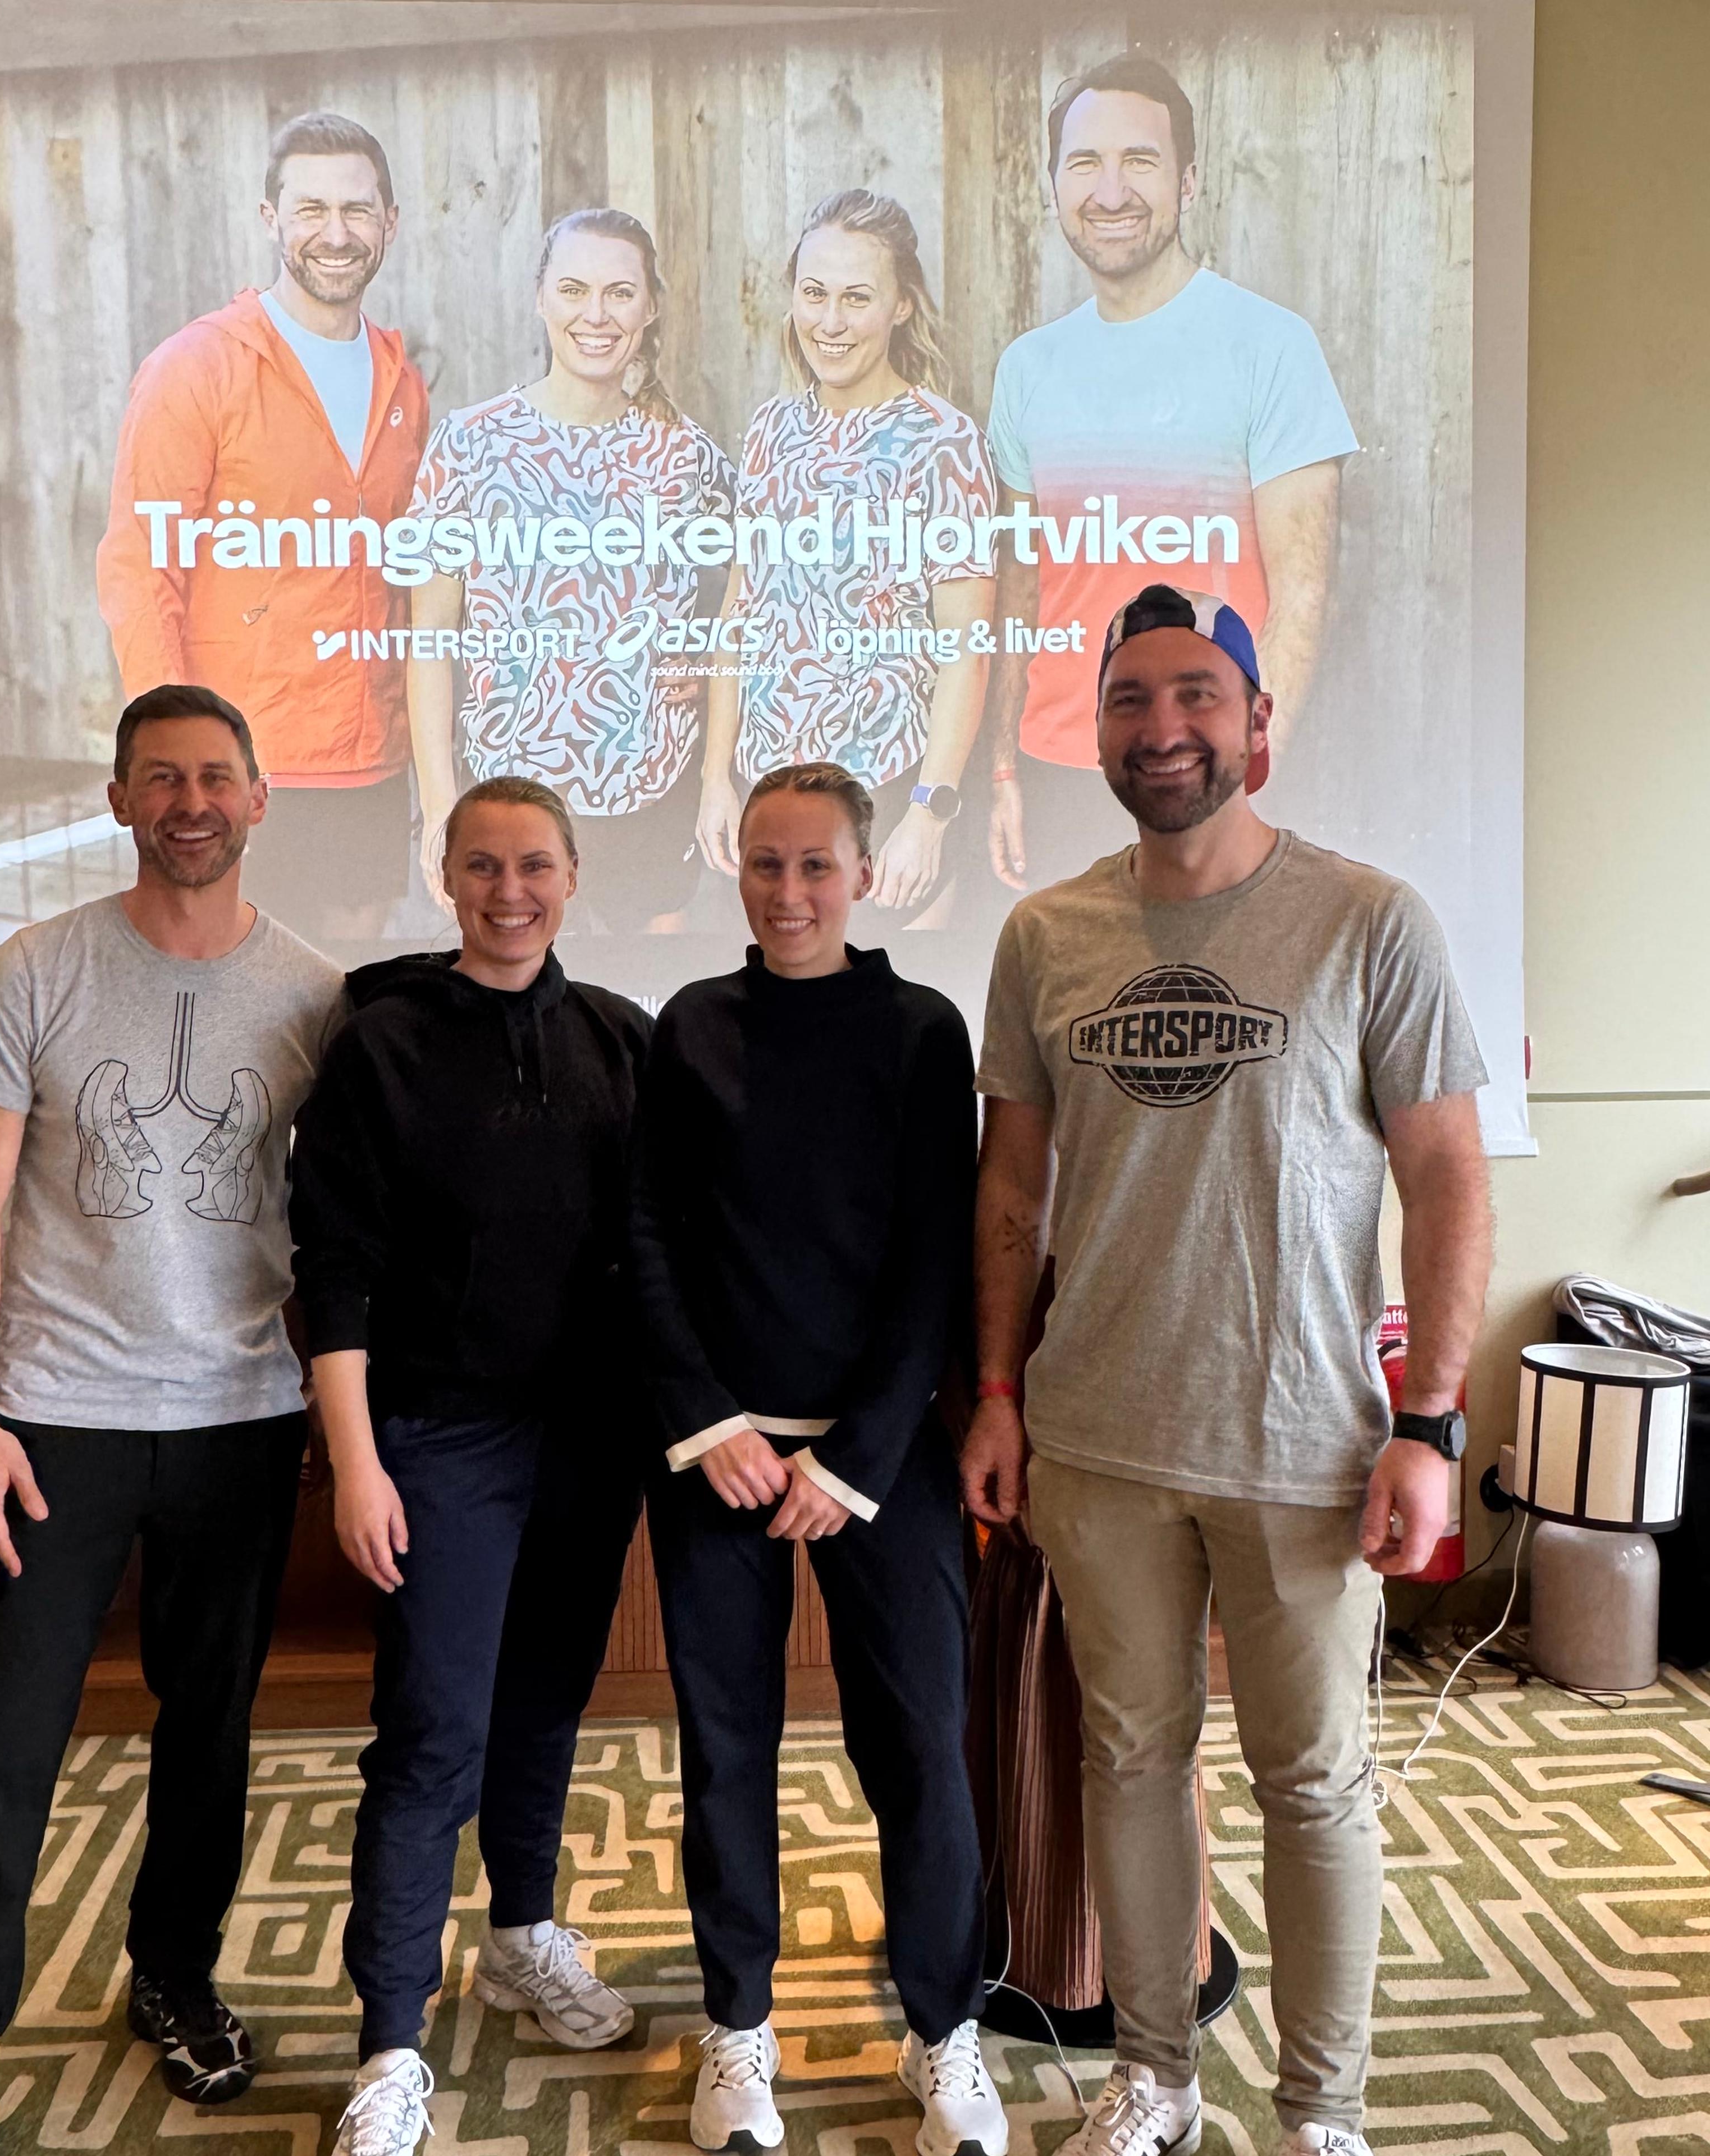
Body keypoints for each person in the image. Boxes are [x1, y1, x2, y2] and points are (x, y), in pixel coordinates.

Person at [965, 585, 1491, 2156]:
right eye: (1130, 700)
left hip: (1310, 1448)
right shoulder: (1044, 932)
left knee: (1314, 1787)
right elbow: (1010, 1192)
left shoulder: (1370, 918)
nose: (1163, 728)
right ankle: (1157, 2079)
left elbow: (1451, 1179)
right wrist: (996, 1394)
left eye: (1196, 695)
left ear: (1258, 725)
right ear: (1099, 732)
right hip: (1098, 1440)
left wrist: (1432, 1421)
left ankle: (1323, 2117)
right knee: (1132, 1762)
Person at [0, 684, 346, 2156]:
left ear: (261, 798)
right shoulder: (34, 972)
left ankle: (177, 1977)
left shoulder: (321, 999)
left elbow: (351, 1227)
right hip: (51, 1421)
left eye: (217, 775)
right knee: (3, 1744)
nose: (191, 800)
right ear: (119, 799)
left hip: (239, 1419)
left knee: (211, 1733)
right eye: (161, 778)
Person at [632, 762, 1005, 2156]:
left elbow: (932, 1258)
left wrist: (854, 1455)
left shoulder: (918, 1031)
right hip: (719, 1459)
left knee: (916, 1748)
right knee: (725, 1752)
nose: (789, 893)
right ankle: (738, 2035)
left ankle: (945, 2032)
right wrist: (710, 1418)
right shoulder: (690, 1026)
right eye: (766, 864)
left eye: (816, 868)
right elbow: (653, 1236)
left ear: (863, 875)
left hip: (883, 1465)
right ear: (739, 868)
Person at [289, 777, 652, 2156]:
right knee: (433, 1732)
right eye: (485, 866)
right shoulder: (380, 1046)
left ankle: (520, 1933)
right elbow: (337, 1269)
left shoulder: (622, 1042)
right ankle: (390, 2041)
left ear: (573, 878)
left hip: (588, 1443)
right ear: (447, 876)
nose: (513, 891)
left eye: (538, 867)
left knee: (544, 1708)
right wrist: (357, 1463)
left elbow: (660, 1252)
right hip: (436, 1442)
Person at [981, 53, 1359, 897]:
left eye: (1139, 162)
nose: (1109, 191)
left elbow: (1303, 596)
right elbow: (1022, 577)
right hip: (1057, 768)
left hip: (1203, 771)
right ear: (1052, 186)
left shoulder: (1270, 347)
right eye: (1085, 163)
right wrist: (1003, 771)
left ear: (1188, 183)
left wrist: (1249, 776)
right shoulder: (1028, 368)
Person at [96, 111, 428, 940]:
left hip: (370, 765)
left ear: (390, 224)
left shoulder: (402, 381)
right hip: (242, 769)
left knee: (345, 1004)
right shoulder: (198, 368)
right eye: (311, 209)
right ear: (270, 218)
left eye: (357, 211)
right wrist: (170, 764)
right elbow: (140, 570)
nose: (336, 233)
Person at [407, 208, 735, 933]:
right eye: (575, 289)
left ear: (650, 308)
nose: (598, 314)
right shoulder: (470, 446)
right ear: (541, 297)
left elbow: (753, 604)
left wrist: (716, 674)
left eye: (621, 293)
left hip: (651, 797)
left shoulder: (691, 458)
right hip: (510, 801)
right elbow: (430, 638)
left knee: (643, 1017)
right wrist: (440, 808)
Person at [696, 192, 996, 924]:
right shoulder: (771, 429)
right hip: (767, 797)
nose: (829, 323)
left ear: (900, 305)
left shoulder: (944, 444)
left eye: (856, 299)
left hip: (885, 800)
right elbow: (740, 614)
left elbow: (967, 650)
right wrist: (715, 778)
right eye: (814, 294)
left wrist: (929, 815)